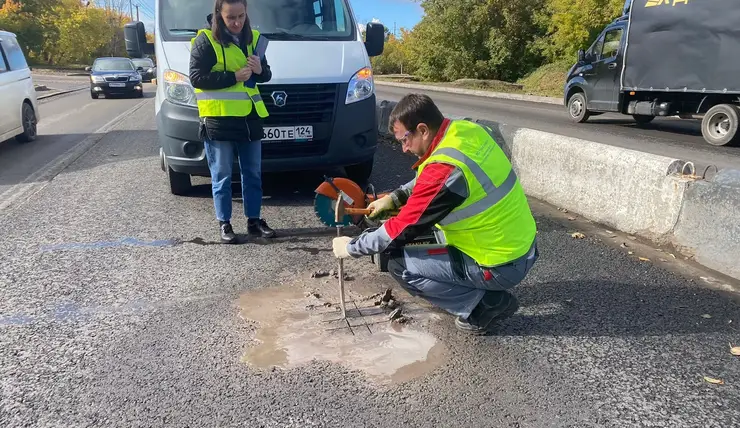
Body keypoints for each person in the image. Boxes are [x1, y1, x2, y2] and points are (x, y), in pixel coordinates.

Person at [332, 93, 539, 335]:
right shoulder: (466, 131)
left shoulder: (445, 169)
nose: (404, 148)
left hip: (499, 262)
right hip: (522, 246)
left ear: (422, 129)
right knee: (427, 237)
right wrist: (394, 198)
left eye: (405, 140)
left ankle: (483, 305)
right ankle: (477, 289)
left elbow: (402, 228)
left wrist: (353, 247)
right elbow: (428, 176)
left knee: (399, 264)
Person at [189, 0, 275, 244]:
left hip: (249, 118)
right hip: (219, 119)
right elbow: (196, 77)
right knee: (223, 175)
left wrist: (260, 70)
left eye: (241, 16)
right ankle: (224, 223)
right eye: (230, 18)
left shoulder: (255, 39)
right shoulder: (206, 40)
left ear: (247, 13)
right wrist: (233, 77)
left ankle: (254, 222)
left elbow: (266, 75)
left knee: (253, 174)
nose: (237, 22)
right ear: (219, 15)